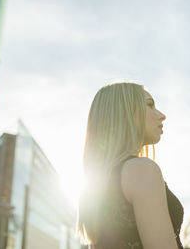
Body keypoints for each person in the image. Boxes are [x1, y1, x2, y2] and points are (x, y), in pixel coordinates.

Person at [77, 82, 184, 249]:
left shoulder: (99, 185)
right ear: (124, 112)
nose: (162, 115)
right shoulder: (141, 170)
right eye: (149, 105)